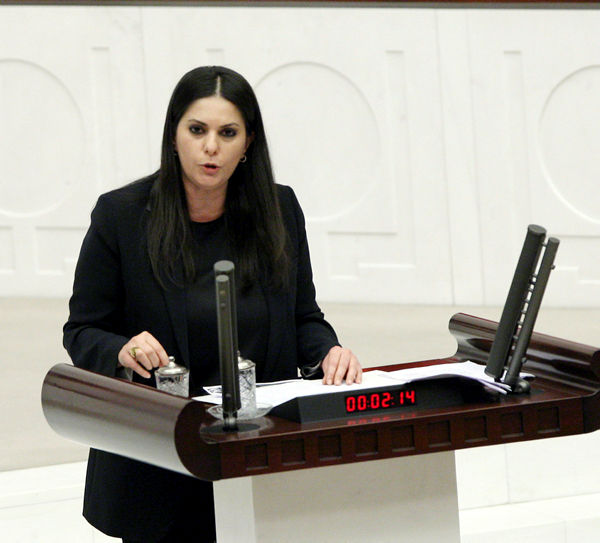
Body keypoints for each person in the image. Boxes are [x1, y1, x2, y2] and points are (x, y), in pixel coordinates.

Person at [63, 65, 362, 542]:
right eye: (197, 130)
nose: (211, 147)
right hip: (160, 465)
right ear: (174, 135)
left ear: (248, 143)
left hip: (257, 454)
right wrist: (122, 349)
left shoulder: (279, 210)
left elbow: (304, 318)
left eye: (228, 133)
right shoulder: (121, 216)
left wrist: (328, 352)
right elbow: (82, 331)